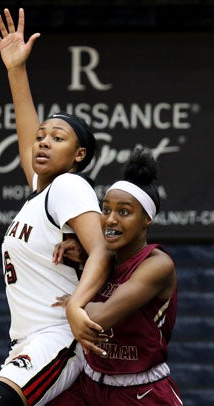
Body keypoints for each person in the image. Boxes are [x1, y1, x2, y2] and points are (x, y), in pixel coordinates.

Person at [0, 8, 110, 406]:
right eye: (41, 137)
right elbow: (26, 125)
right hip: (29, 338)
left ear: (79, 154)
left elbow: (102, 249)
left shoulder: (69, 185)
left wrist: (75, 304)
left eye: (57, 137)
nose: (43, 142)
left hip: (59, 335)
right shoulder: (42, 194)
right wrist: (16, 70)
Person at [48, 146, 183, 405]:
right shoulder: (102, 258)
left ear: (146, 219)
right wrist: (84, 254)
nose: (110, 220)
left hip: (141, 391)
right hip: (88, 384)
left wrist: (73, 302)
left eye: (123, 212)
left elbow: (100, 318)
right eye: (106, 209)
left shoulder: (157, 264)